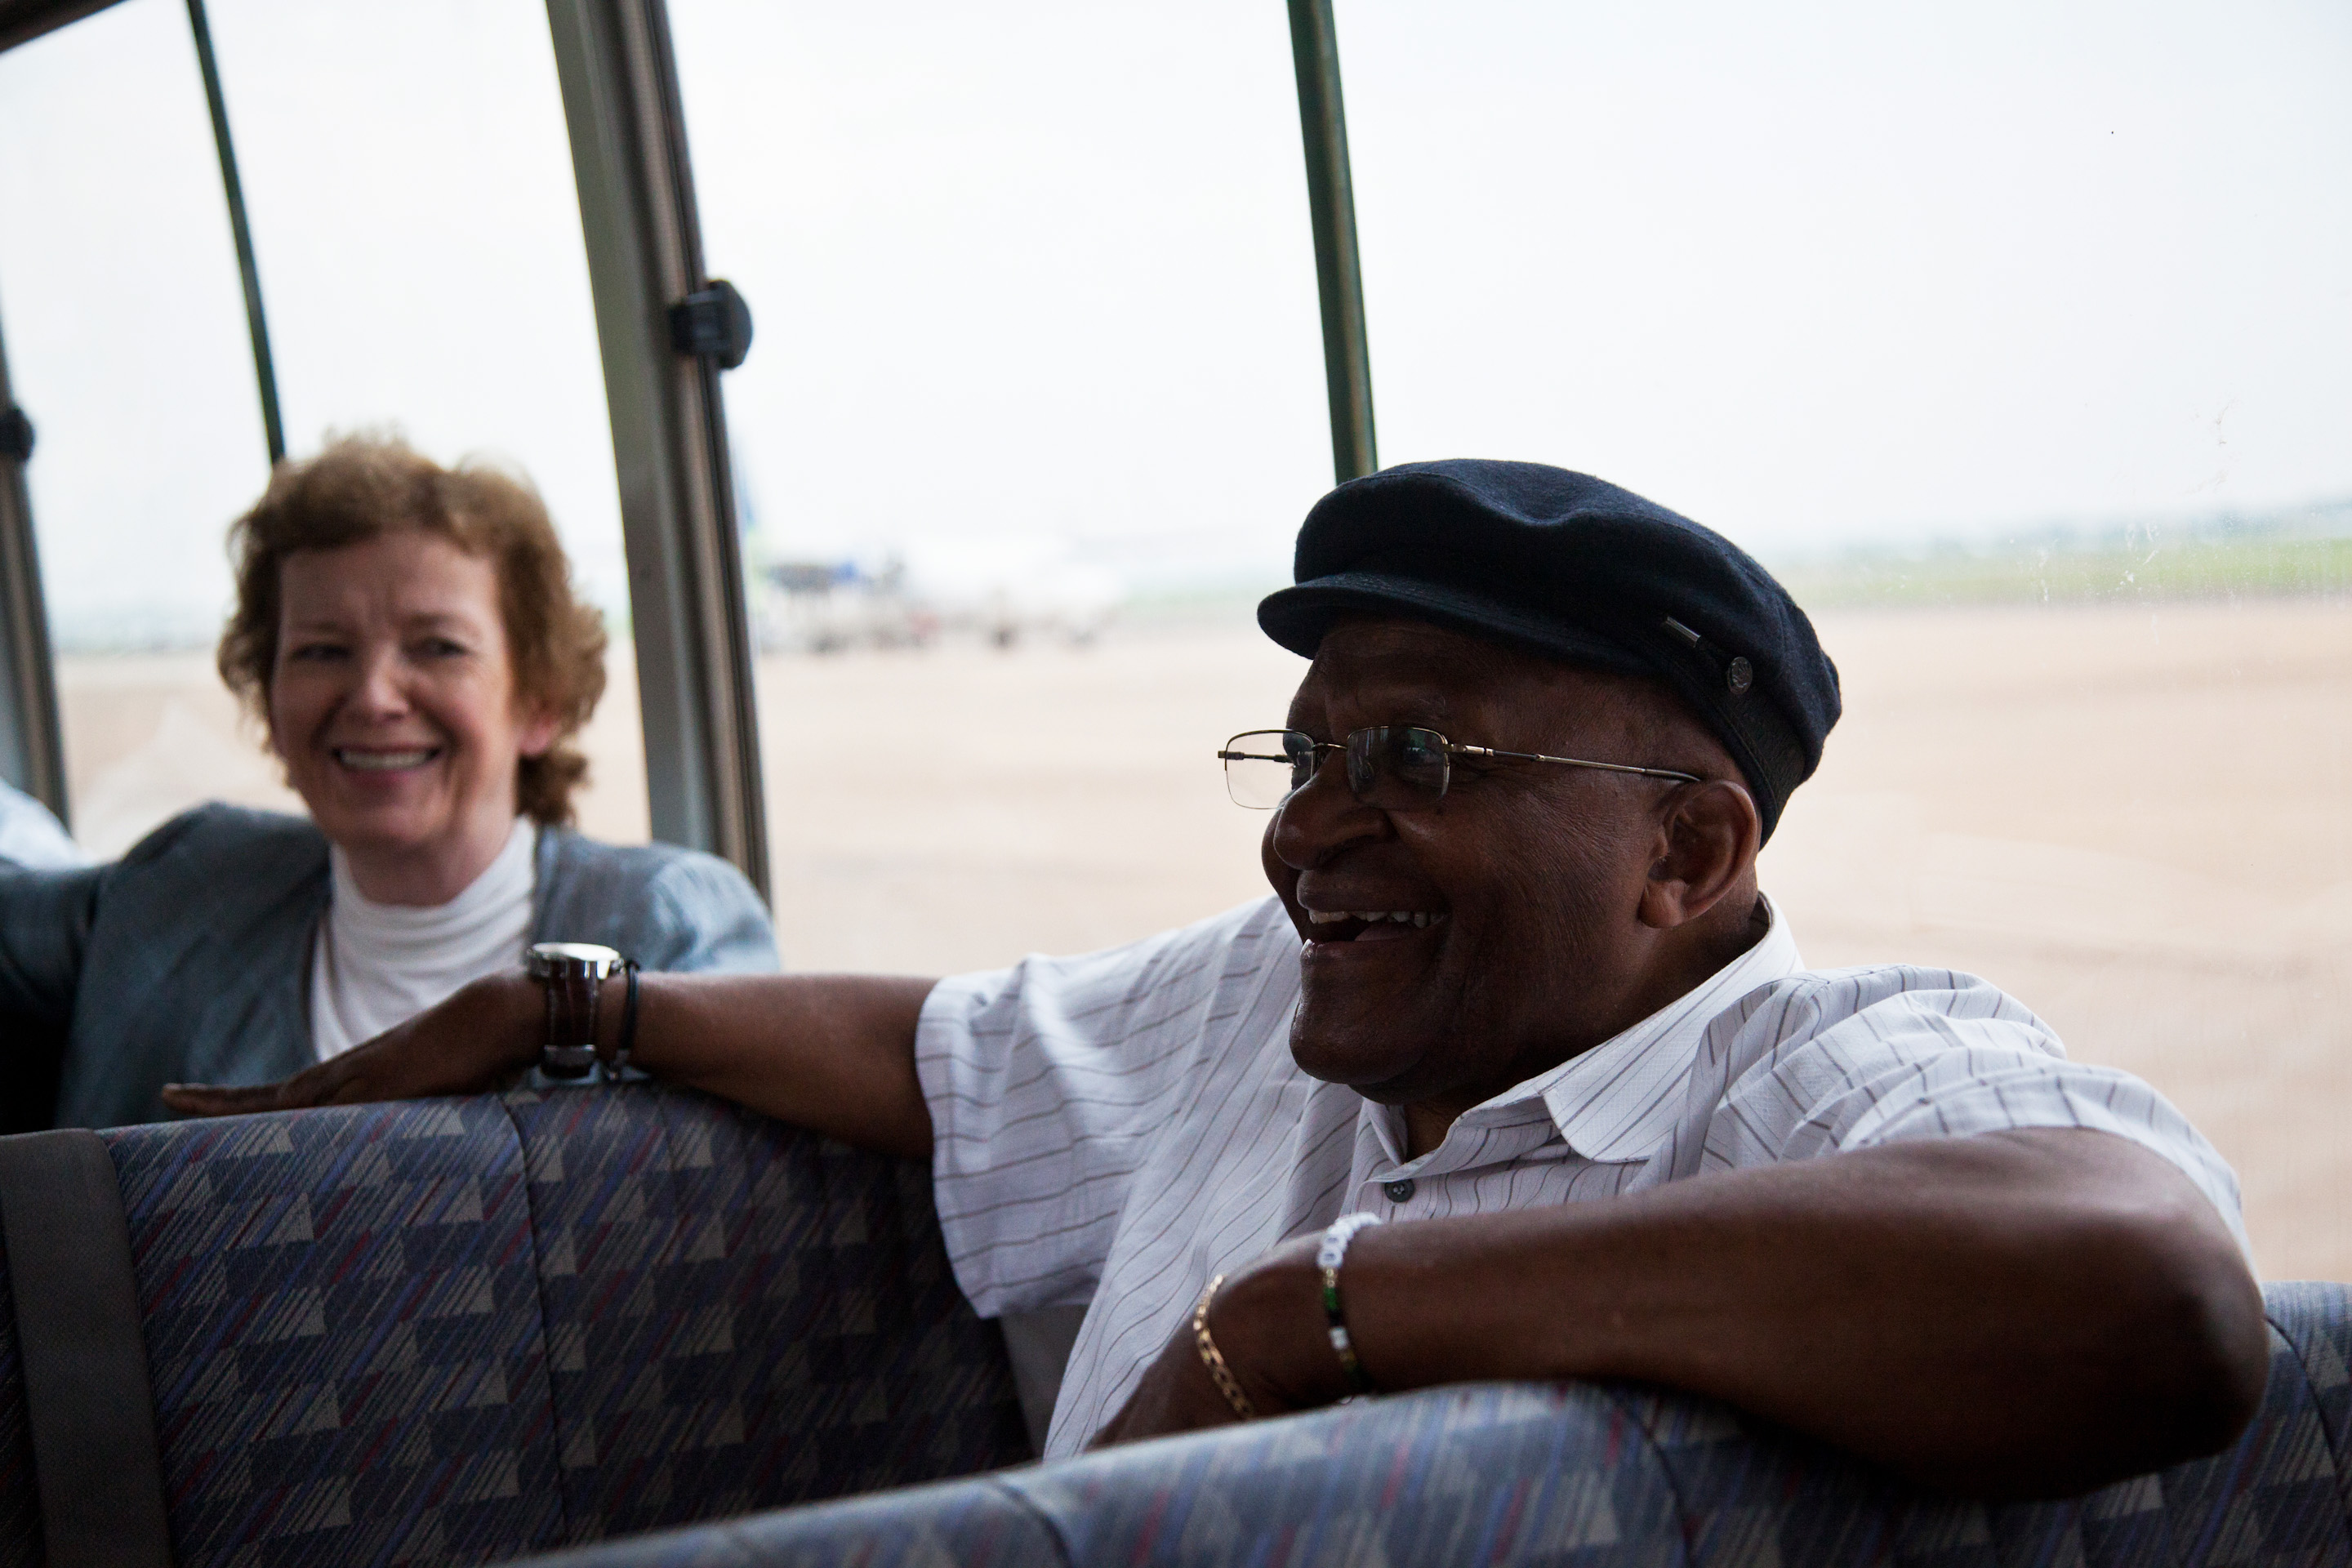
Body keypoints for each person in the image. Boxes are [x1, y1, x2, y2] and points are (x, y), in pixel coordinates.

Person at [164, 461, 2265, 1499]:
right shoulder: (1272, 1004)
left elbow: (2148, 1285)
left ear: (1690, 852)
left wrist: (1321, 1311)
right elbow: (936, 1047)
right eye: (1310, 751)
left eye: (1416, 759)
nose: (1308, 828)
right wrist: (573, 1006)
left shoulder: (1820, 1077)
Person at [1, 435, 776, 1129]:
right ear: (269, 702)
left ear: (539, 700)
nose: (373, 696)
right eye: (320, 652)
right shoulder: (187, 884)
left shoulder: (668, 931)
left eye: (438, 647)